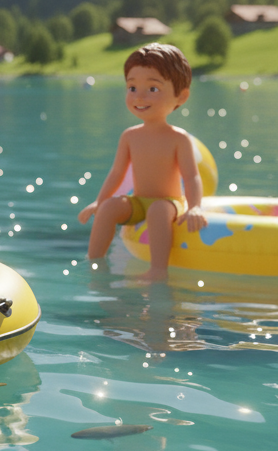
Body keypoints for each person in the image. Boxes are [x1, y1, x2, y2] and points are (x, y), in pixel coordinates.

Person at [78, 43, 207, 279]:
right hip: (138, 201)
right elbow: (116, 173)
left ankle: (158, 271)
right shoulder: (129, 136)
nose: (139, 96)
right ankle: (93, 262)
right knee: (108, 208)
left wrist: (195, 206)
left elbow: (192, 176)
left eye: (153, 89)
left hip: (169, 203)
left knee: (158, 210)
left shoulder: (179, 138)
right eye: (132, 87)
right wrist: (99, 202)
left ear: (181, 96)